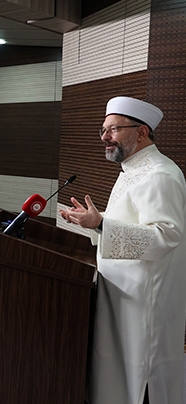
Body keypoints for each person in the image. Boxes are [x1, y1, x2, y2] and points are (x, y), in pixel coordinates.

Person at [59, 97, 186, 404]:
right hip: (122, 292)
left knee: (139, 374)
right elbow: (130, 221)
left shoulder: (159, 174)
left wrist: (102, 224)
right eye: (103, 130)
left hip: (144, 299)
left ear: (141, 132)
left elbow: (167, 235)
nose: (105, 137)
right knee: (115, 367)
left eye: (114, 129)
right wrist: (93, 221)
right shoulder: (132, 168)